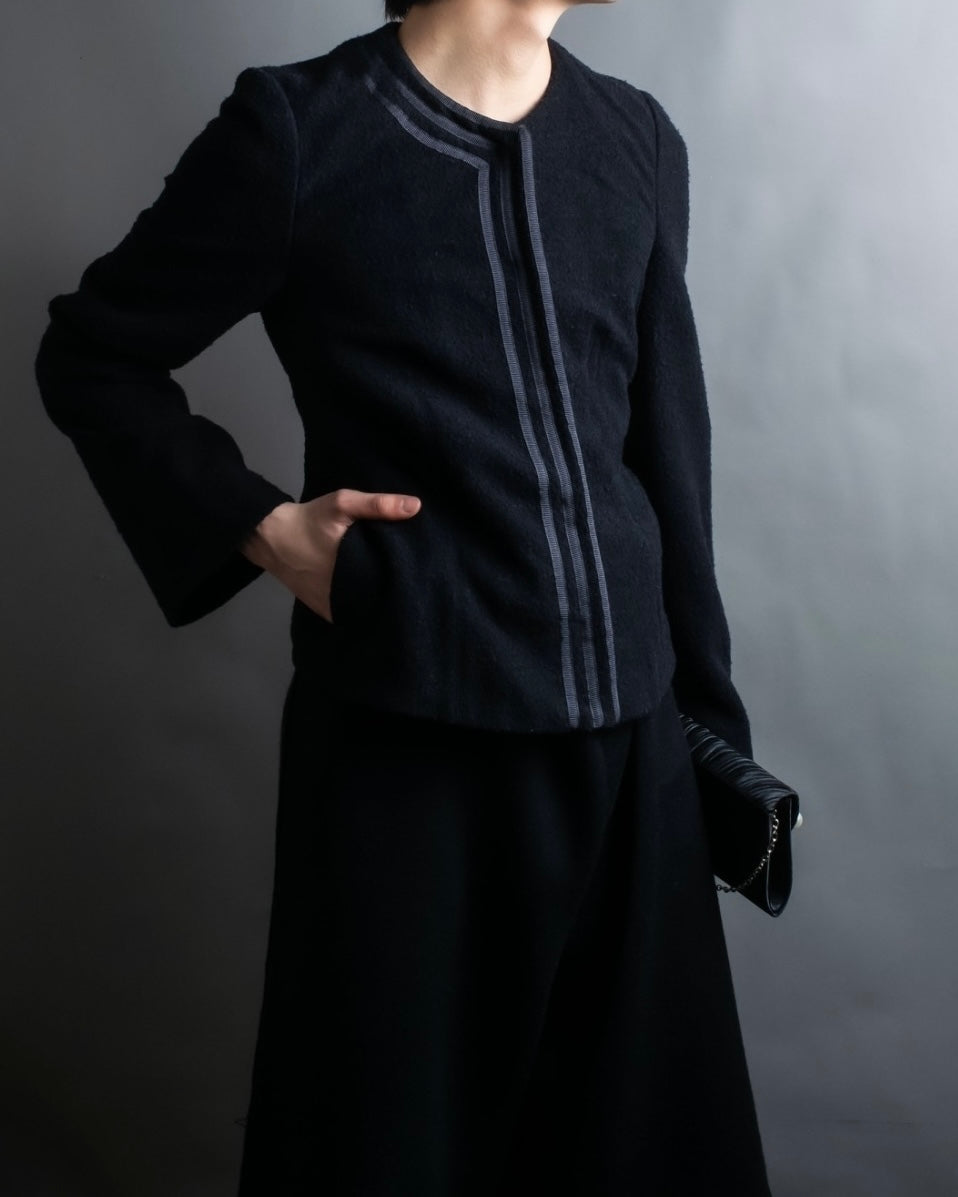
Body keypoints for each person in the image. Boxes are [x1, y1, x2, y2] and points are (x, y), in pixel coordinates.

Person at [33, 0, 774, 1192]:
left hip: (631, 765)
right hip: (408, 749)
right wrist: (260, 528)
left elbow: (667, 458)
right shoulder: (298, 129)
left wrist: (709, 747)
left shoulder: (635, 137)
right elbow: (93, 356)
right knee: (388, 1153)